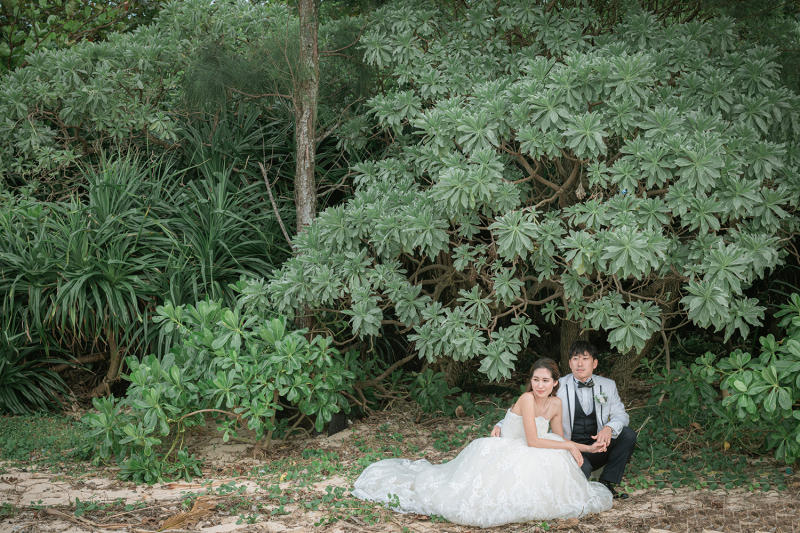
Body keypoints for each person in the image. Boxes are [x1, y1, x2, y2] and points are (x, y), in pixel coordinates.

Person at [351, 358, 613, 528]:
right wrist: (568, 447)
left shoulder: (556, 403)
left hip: (531, 448)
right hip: (507, 447)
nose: (540, 385)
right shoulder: (527, 399)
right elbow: (533, 440)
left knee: (552, 464)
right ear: (530, 381)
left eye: (546, 381)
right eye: (536, 379)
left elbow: (557, 438)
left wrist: (587, 448)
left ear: (555, 383)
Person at [492, 341, 637, 499]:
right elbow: (530, 406)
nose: (579, 363)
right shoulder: (556, 385)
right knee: (583, 471)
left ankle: (606, 483)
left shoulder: (608, 386)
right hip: (568, 447)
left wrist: (609, 428)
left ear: (595, 363)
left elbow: (622, 415)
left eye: (585, 358)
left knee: (628, 434)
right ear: (569, 363)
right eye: (575, 358)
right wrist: (501, 424)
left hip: (597, 447)